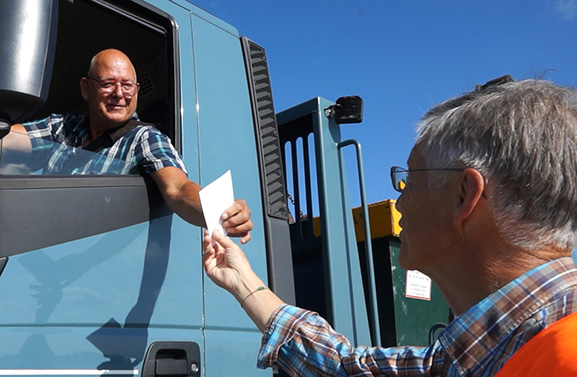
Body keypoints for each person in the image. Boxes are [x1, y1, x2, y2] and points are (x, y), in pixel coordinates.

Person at [202, 77, 577, 376]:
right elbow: (346, 367)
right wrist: (243, 280)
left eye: (409, 179)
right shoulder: (491, 347)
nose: (399, 201)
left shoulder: (561, 358)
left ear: (464, 195)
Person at [6, 49, 252, 243]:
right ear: (85, 88)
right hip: (35, 249)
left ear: (136, 91)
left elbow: (178, 189)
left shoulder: (145, 138)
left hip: (89, 274)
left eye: (127, 86)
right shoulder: (64, 127)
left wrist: (221, 213)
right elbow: (8, 137)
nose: (118, 93)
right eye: (107, 83)